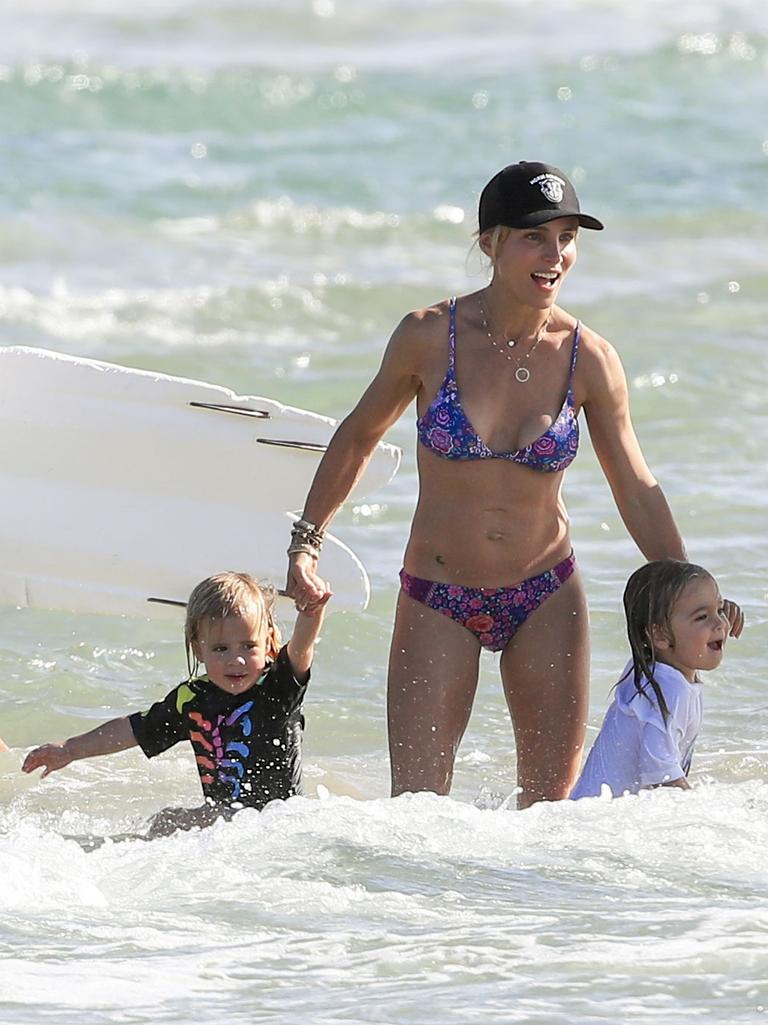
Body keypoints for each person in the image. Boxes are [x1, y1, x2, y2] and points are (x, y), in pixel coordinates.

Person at [286, 160, 743, 807]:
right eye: (535, 236)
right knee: (417, 811)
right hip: (438, 594)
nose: (555, 254)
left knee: (551, 817)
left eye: (567, 237)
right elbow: (360, 435)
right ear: (490, 242)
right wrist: (306, 542)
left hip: (545, 596)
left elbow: (635, 487)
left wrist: (697, 595)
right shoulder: (428, 337)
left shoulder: (590, 359)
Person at [22, 571, 330, 836]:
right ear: (198, 648)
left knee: (177, 821)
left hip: (281, 824)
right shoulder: (193, 699)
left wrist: (311, 613)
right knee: (163, 823)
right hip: (231, 830)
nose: (236, 659)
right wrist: (71, 749)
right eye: (221, 648)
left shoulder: (278, 687)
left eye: (249, 646)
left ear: (269, 641)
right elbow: (133, 729)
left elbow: (302, 650)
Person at [570, 559, 726, 799]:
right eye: (702, 617)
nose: (720, 624)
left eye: (721, 610)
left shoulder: (650, 673)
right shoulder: (669, 688)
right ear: (660, 634)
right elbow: (660, 773)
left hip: (592, 810)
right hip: (605, 820)